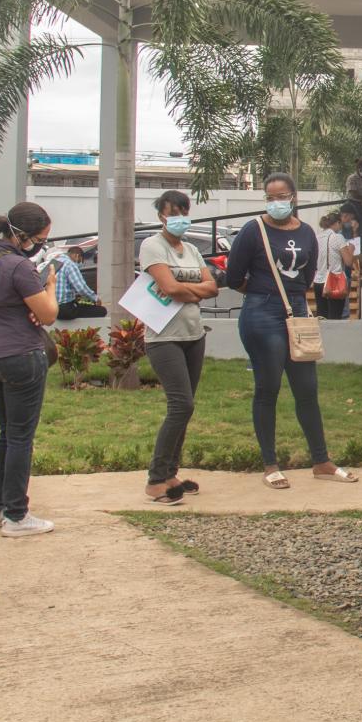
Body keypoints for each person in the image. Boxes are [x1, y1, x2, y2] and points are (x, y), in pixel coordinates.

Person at [228, 175, 356, 486]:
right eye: (270, 197)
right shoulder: (253, 231)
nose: (276, 202)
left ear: (293, 197)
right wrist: (262, 292)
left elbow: (308, 274)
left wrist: (290, 300)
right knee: (267, 388)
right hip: (262, 315)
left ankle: (321, 460)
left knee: (307, 389)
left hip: (298, 313)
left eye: (281, 196)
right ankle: (270, 465)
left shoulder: (307, 233)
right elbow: (233, 276)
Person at [0, 202, 59, 538]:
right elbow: (48, 313)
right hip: (21, 356)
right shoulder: (20, 267)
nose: (39, 245)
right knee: (21, 437)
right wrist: (48, 284)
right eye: (39, 239)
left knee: (7, 433)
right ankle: (16, 515)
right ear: (22, 235)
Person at [142, 191, 219, 504]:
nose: (179, 218)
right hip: (164, 338)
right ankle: (156, 479)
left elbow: (213, 286)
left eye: (183, 212)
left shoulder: (189, 249)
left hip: (193, 335)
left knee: (186, 407)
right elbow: (168, 287)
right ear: (161, 215)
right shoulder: (152, 246)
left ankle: (171, 473)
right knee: (181, 405)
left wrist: (186, 292)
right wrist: (193, 291)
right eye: (172, 213)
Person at [315, 210, 354, 320]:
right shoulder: (338, 238)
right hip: (334, 282)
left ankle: (323, 337)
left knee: (322, 317)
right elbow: (348, 262)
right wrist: (351, 249)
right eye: (340, 224)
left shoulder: (317, 237)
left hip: (318, 281)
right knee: (335, 318)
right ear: (337, 223)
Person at [54, 243, 106, 320]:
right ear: (77, 256)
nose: (79, 263)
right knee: (102, 311)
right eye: (80, 261)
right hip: (64, 309)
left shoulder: (53, 263)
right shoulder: (70, 265)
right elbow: (81, 288)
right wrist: (95, 299)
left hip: (51, 308)